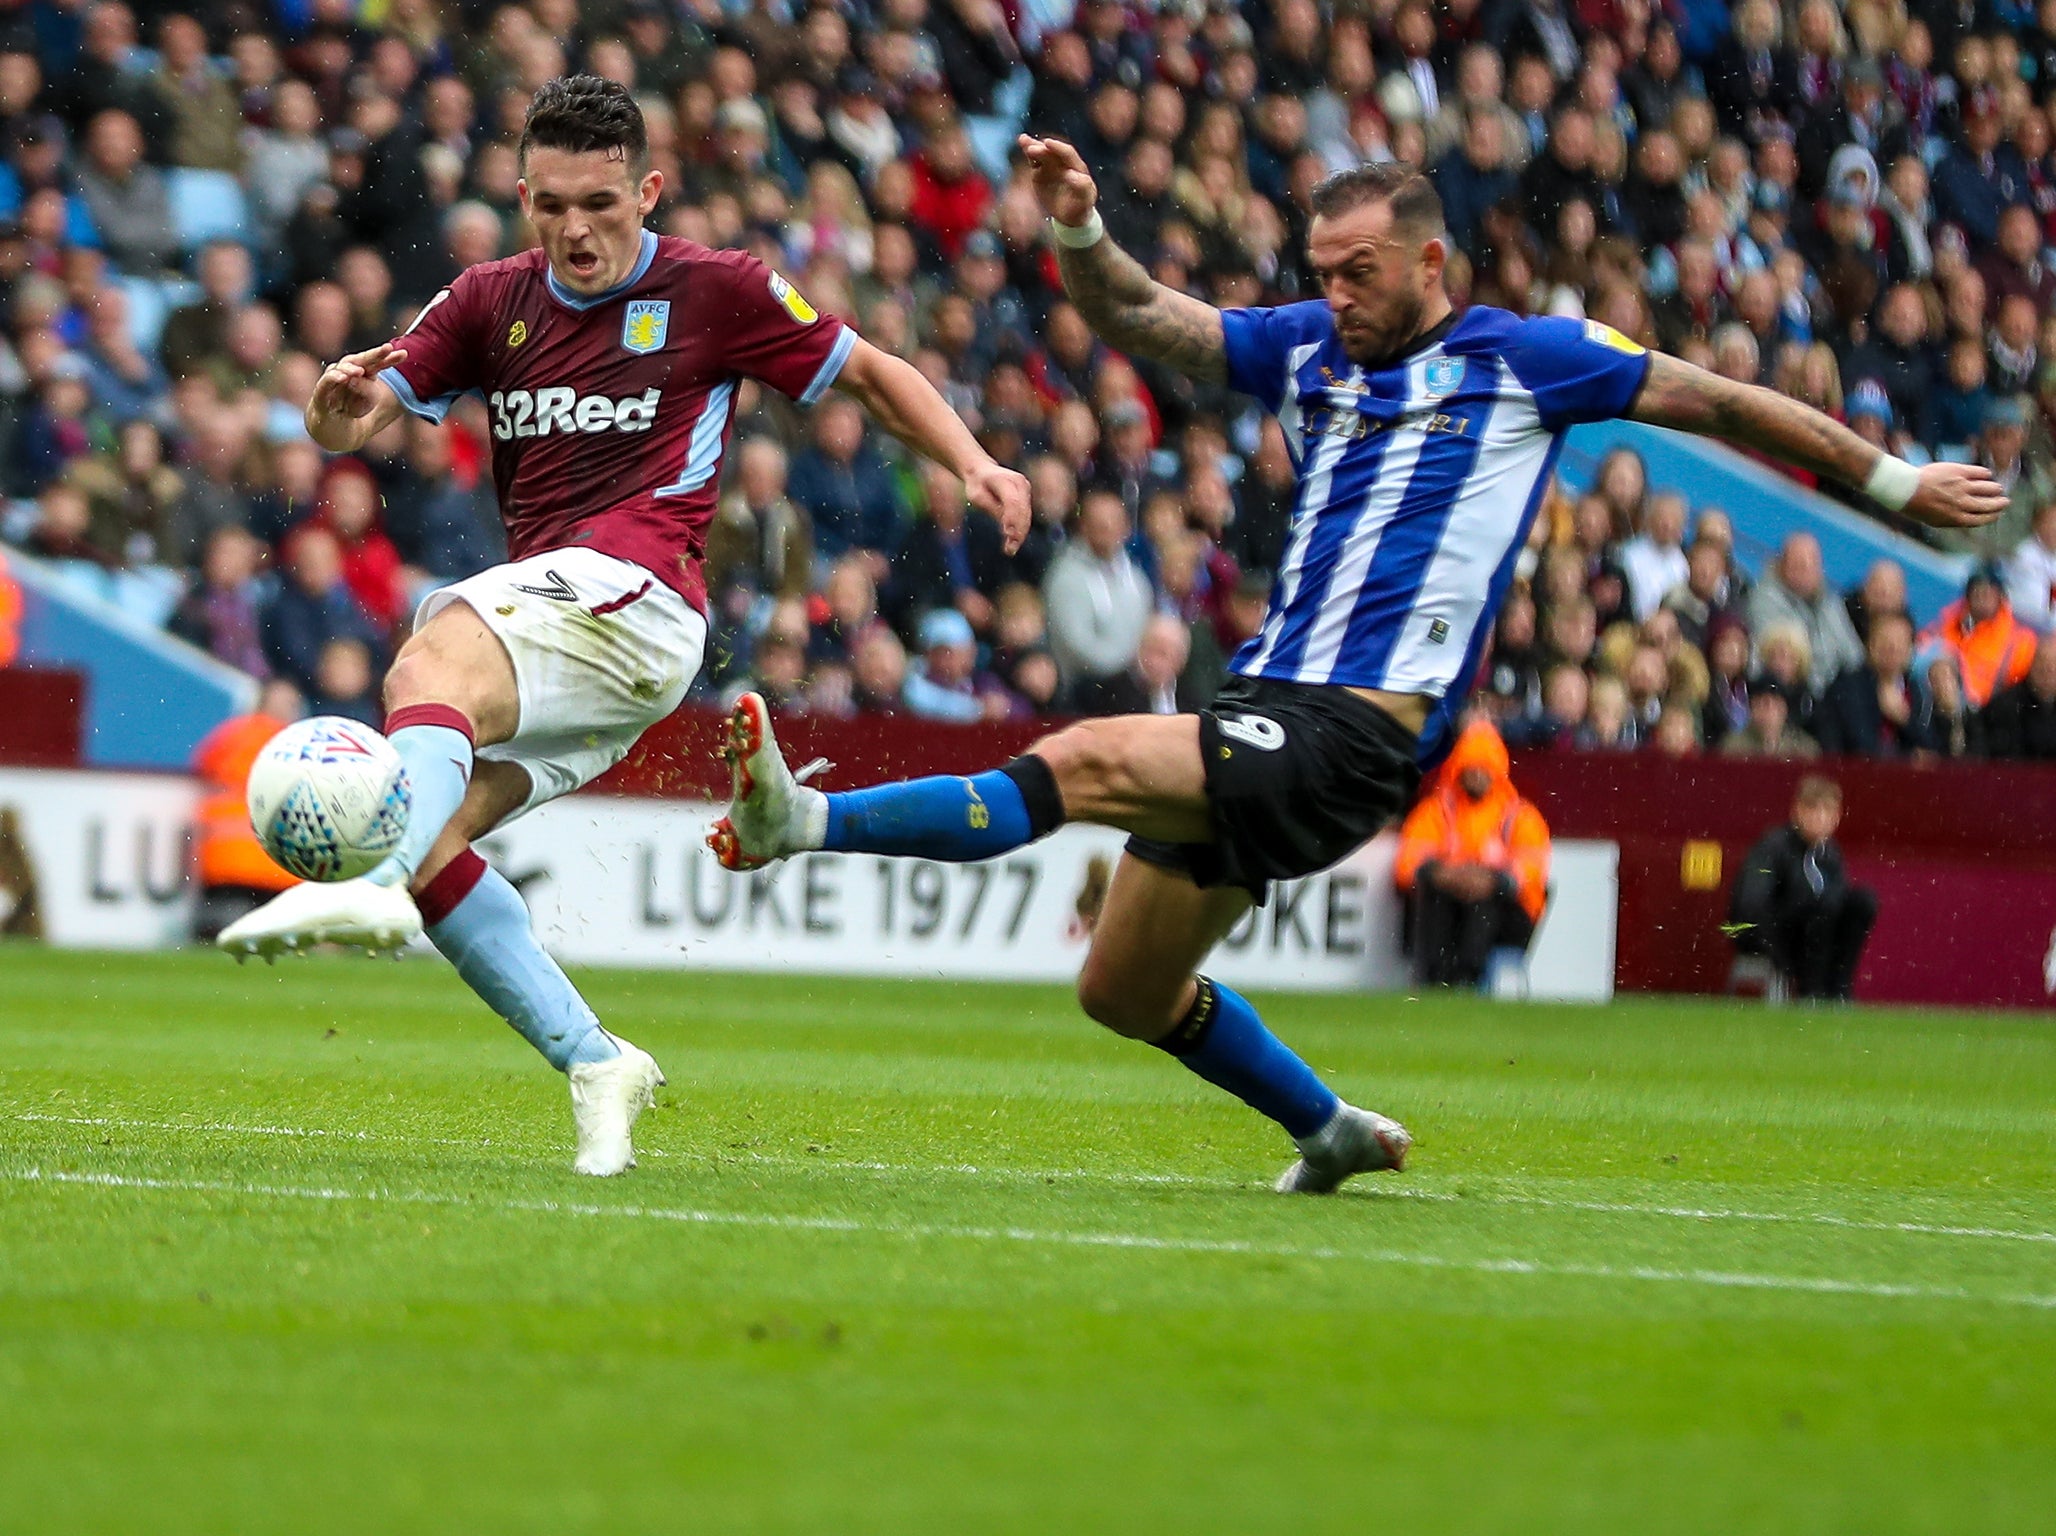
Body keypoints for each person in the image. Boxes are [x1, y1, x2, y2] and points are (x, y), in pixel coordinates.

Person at [709, 144, 2002, 1194]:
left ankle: (801, 819)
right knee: (1122, 987)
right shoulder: (1308, 351)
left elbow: (1720, 402)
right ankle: (1327, 1129)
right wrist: (1082, 233)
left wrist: (1892, 481)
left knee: (1085, 757)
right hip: (1264, 708)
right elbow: (1150, 318)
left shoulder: (1525, 357)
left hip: (1359, 733)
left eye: (1360, 271)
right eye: (1321, 270)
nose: (1335, 293)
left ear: (1431, 260)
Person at [214, 77, 1031, 1177]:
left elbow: (871, 377)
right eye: (549, 205)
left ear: (648, 189)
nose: (575, 229)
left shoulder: (718, 290)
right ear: (520, 197)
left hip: (641, 600)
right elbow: (358, 414)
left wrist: (974, 463)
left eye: (599, 202)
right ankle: (594, 1060)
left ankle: (362, 887)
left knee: (434, 653)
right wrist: (331, 407)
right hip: (576, 640)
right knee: (437, 834)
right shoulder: (486, 299)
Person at [1392, 719, 1550, 987]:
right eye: (1470, 767)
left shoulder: (1519, 816)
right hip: (1445, 905)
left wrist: (1492, 881)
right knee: (1438, 893)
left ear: (1497, 770)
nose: (1476, 774)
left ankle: (1469, 977)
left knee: (1484, 900)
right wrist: (1448, 876)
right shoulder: (1437, 810)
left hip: (1505, 917)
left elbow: (1532, 869)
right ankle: (1437, 979)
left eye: (1484, 767)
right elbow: (1408, 864)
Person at [1729, 775, 1878, 1001]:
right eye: (1814, 810)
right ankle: (1811, 992)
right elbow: (1752, 902)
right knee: (1822, 906)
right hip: (1779, 937)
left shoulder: (1829, 853)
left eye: (1828, 812)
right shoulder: (1774, 847)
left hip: (1818, 939)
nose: (1821, 818)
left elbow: (1837, 900)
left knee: (1863, 901)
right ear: (1797, 810)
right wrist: (1772, 945)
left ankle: (1839, 991)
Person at [190, 678, 304, 943]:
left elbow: (202, 765)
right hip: (278, 866)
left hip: (224, 861)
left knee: (220, 940)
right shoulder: (298, 741)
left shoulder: (230, 735)